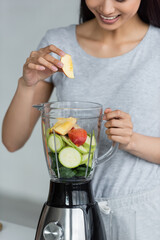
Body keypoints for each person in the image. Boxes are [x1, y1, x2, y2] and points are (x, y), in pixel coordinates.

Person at [2, 0, 160, 239]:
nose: (106, 9)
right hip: (70, 214)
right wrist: (27, 84)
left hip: (142, 221)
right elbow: (12, 141)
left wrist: (131, 141)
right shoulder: (59, 45)